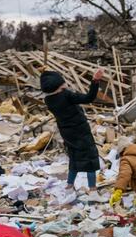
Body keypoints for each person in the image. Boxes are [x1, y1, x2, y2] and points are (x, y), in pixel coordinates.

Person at [41, 68, 104, 198]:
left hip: (67, 134)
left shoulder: (49, 100)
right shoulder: (66, 95)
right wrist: (95, 81)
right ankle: (93, 191)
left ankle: (69, 187)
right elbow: (89, 98)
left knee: (74, 159)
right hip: (80, 132)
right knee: (90, 159)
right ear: (59, 84)